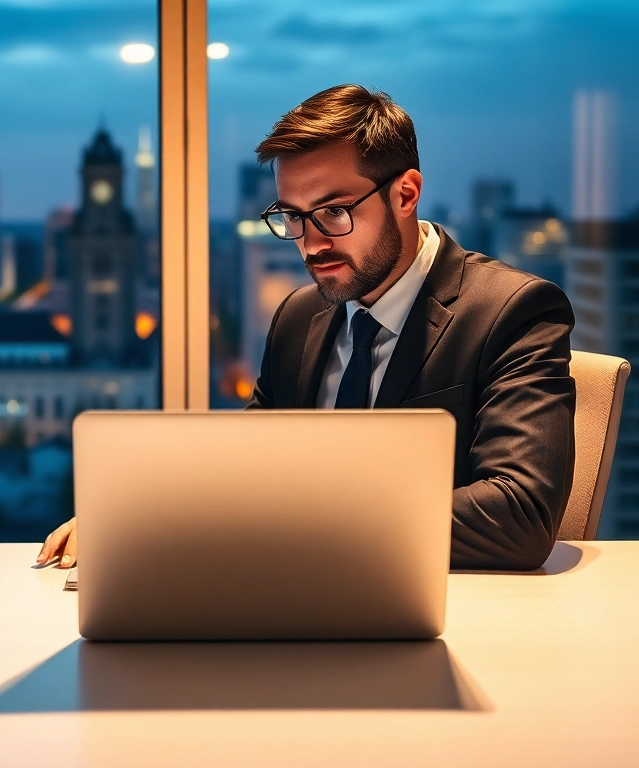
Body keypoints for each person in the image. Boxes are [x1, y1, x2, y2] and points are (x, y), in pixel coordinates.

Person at [37, 84, 576, 572]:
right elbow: (246, 468)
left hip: (452, 625)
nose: (310, 242)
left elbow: (521, 516)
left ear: (406, 194)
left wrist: (307, 522)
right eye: (292, 216)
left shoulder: (513, 311)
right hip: (292, 609)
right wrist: (137, 518)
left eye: (334, 212)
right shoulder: (299, 316)